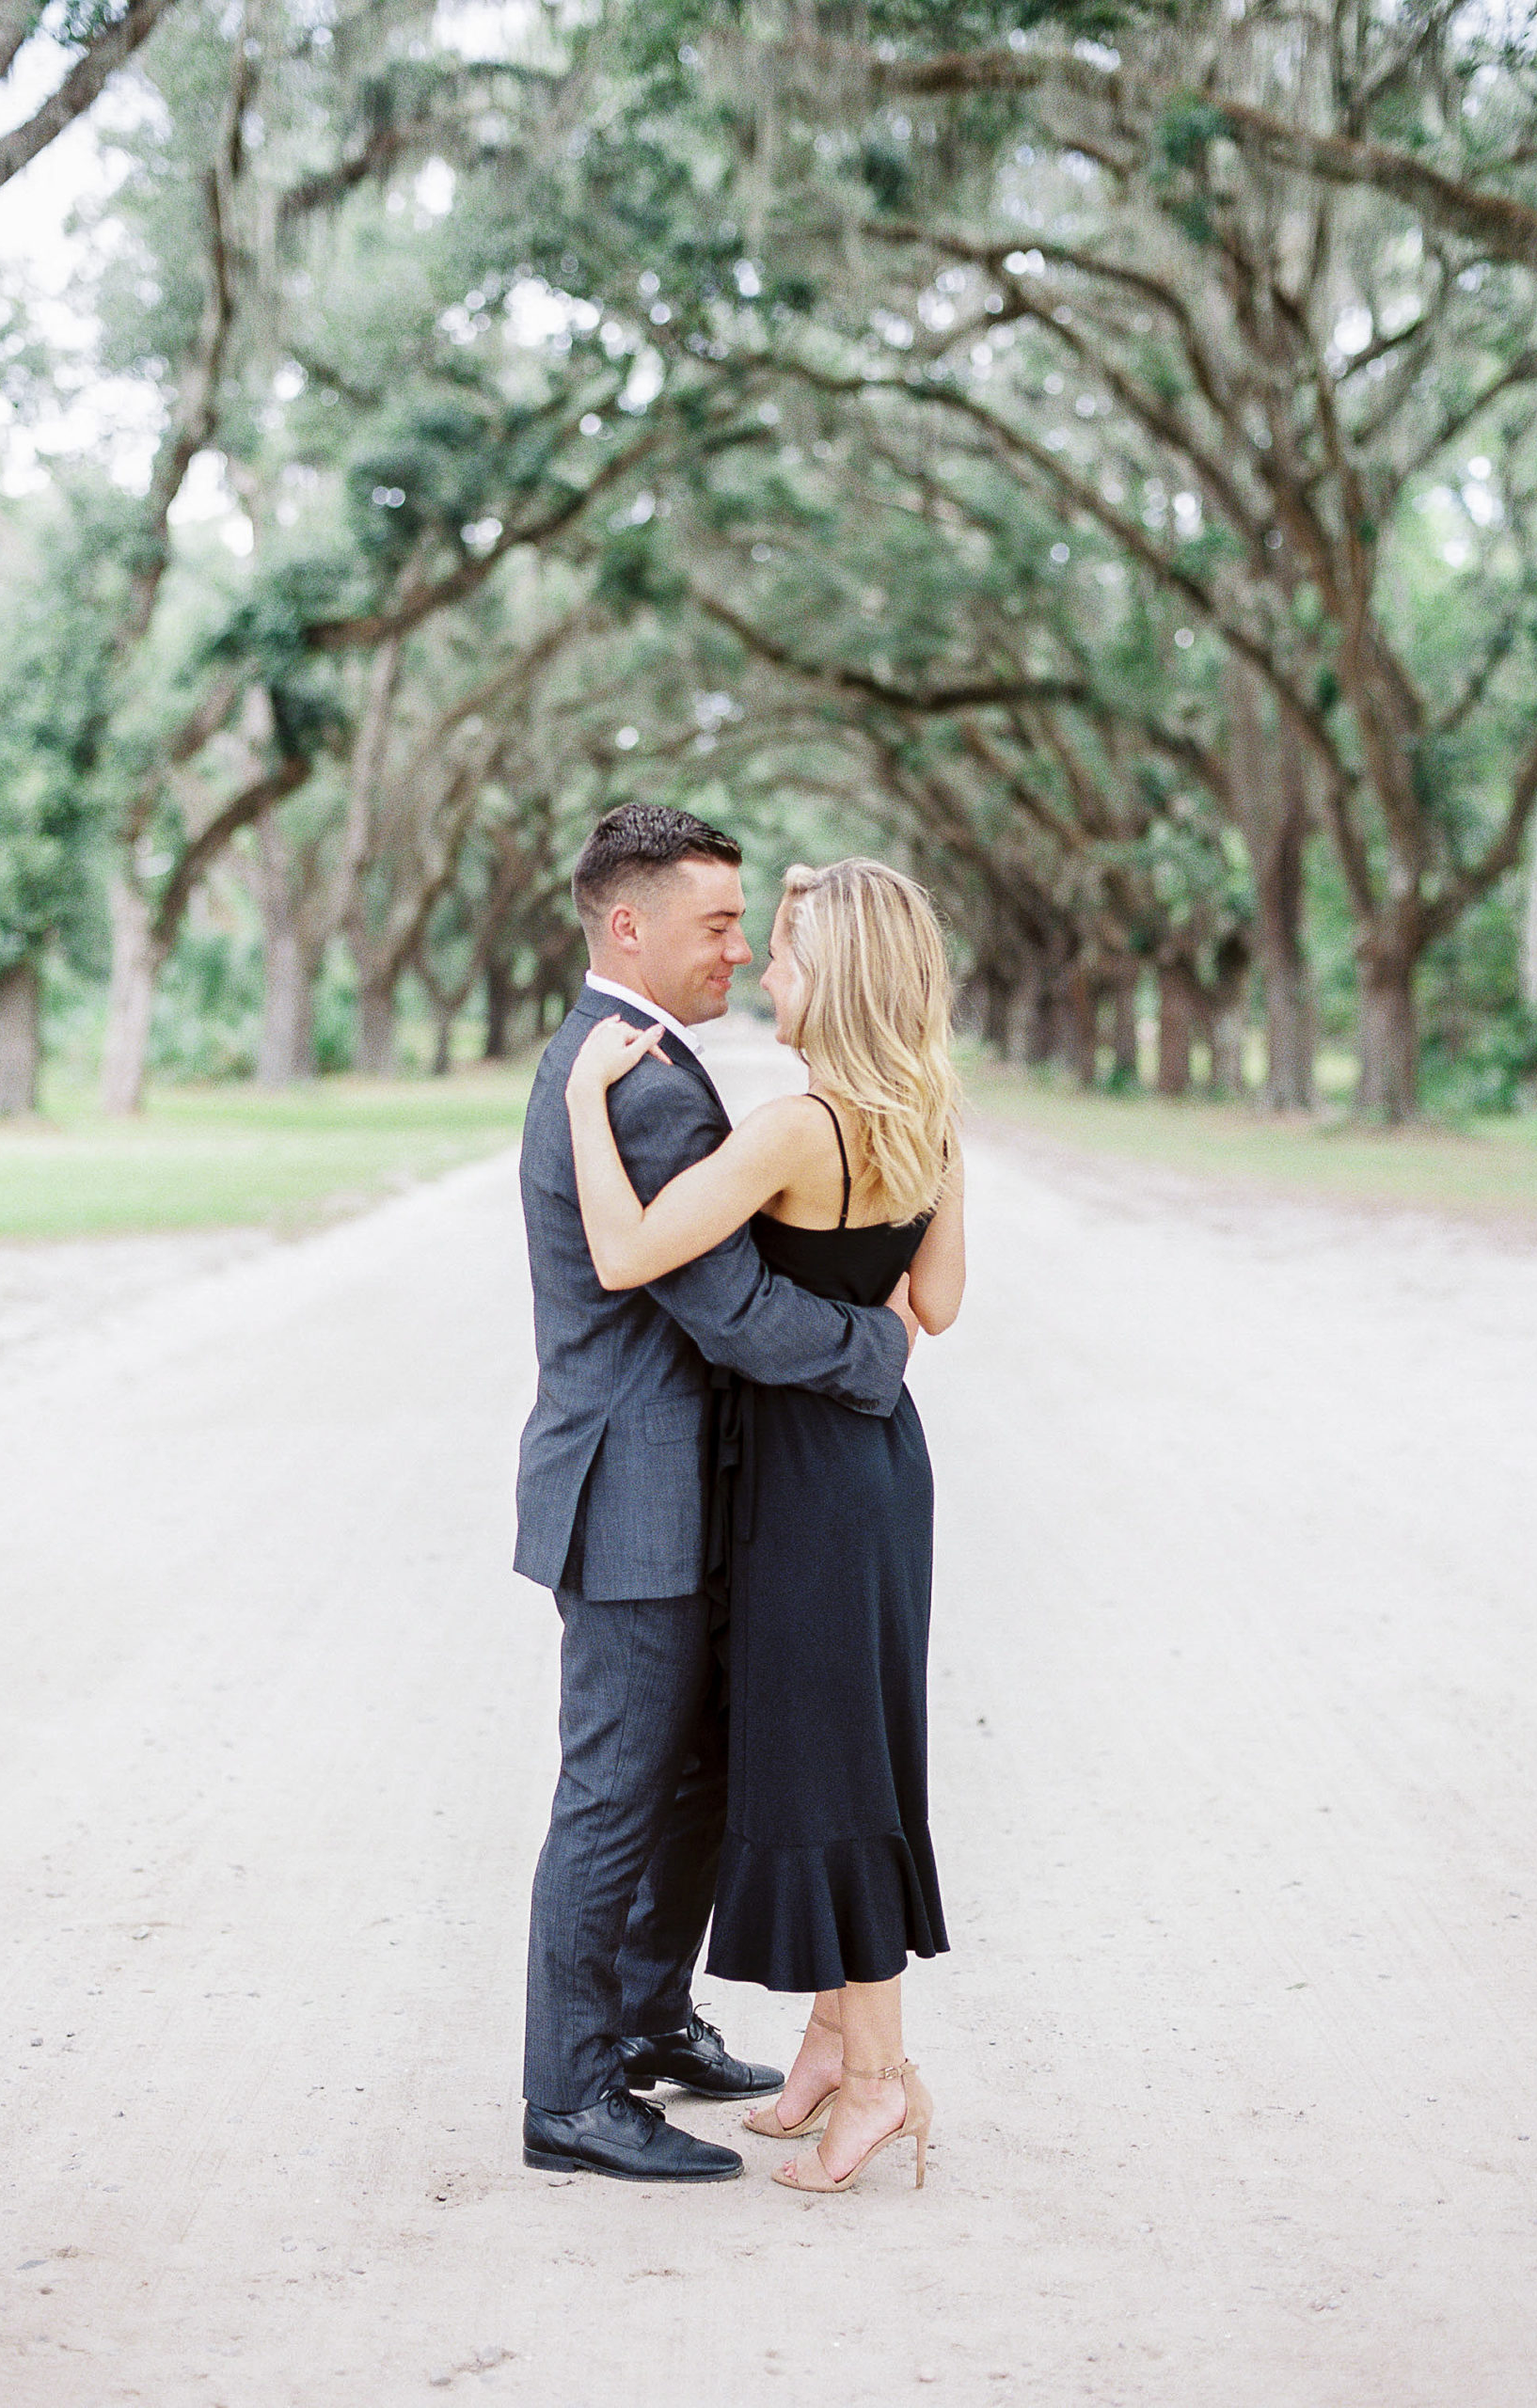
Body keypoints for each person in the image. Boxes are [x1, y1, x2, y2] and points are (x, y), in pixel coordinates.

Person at [515, 807, 916, 2185]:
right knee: (617, 1791)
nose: (739, 948)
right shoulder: (636, 1078)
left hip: (677, 1494)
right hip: (634, 1494)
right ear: (628, 925)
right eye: (717, 924)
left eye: (747, 924)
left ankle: (642, 2017)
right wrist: (872, 1348)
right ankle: (569, 2096)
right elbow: (730, 1305)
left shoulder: (638, 1058)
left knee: (689, 1777)